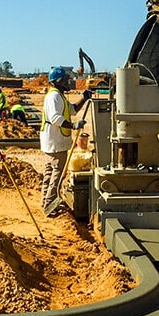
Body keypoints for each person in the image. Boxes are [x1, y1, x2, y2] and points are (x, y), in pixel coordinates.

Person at [40, 66, 91, 214]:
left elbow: (73, 109)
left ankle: (46, 201)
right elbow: (56, 118)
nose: (68, 82)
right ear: (58, 81)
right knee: (57, 174)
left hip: (53, 141)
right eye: (65, 80)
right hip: (55, 141)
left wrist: (84, 98)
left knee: (50, 172)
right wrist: (74, 126)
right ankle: (50, 205)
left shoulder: (59, 96)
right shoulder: (54, 96)